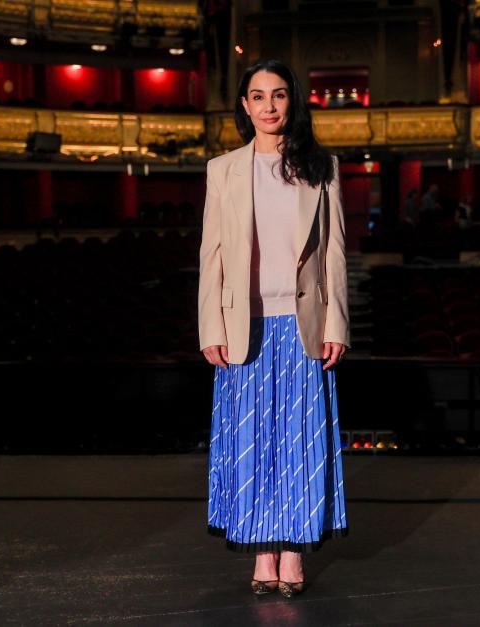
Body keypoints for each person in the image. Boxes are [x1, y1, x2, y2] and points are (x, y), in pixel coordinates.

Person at [197, 59, 349, 599]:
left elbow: (334, 255)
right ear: (244, 105)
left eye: (278, 95)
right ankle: (263, 552)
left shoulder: (322, 166)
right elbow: (211, 254)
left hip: (302, 325)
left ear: (293, 102)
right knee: (252, 444)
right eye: (257, 96)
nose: (268, 106)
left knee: (299, 446)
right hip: (246, 326)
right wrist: (209, 326)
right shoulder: (224, 169)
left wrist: (337, 324)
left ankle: (293, 552)